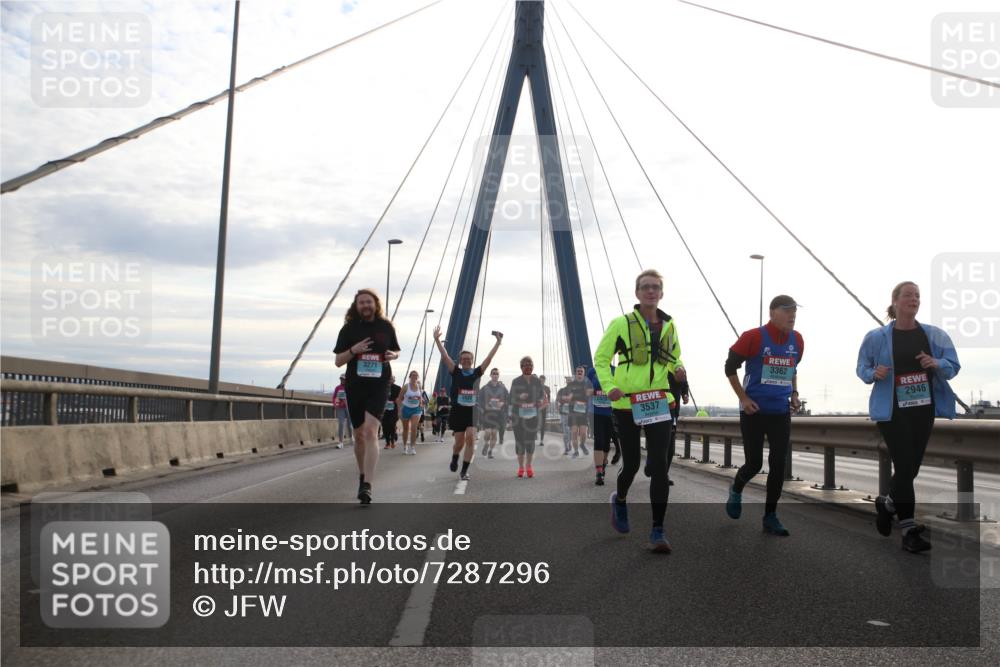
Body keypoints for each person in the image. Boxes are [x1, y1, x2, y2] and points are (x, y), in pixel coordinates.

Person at [857, 281, 960, 553]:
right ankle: (909, 531)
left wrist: (936, 363)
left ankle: (888, 504)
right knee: (904, 467)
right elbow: (861, 367)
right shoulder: (876, 337)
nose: (914, 299)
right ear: (895, 301)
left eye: (917, 296)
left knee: (910, 469)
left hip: (923, 409)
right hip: (891, 410)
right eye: (908, 295)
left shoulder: (934, 335)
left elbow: (953, 366)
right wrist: (873, 374)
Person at [594, 269, 685, 553]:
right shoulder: (621, 323)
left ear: (661, 293)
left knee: (659, 464)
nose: (650, 291)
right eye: (645, 287)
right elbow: (601, 358)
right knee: (632, 464)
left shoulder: (669, 326)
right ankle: (619, 499)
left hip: (658, 400)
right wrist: (609, 386)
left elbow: (674, 356)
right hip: (626, 403)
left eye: (655, 287)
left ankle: (658, 530)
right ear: (637, 293)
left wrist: (678, 368)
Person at [724, 295, 804, 536]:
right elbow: (729, 367)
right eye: (787, 310)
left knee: (778, 463)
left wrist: (794, 393)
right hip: (754, 411)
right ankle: (736, 488)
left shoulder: (797, 339)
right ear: (772, 313)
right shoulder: (753, 337)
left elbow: (792, 368)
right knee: (754, 463)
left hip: (780, 411)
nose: (792, 315)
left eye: (794, 312)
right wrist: (744, 399)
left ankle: (770, 516)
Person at [333, 289, 400, 504]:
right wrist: (354, 350)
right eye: (361, 303)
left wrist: (393, 355)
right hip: (355, 386)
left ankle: (368, 485)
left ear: (375, 304)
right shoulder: (348, 329)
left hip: (379, 385)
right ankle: (362, 475)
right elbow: (338, 361)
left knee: (371, 431)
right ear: (356, 306)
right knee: (359, 434)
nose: (365, 306)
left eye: (368, 302)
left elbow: (395, 351)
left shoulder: (385, 327)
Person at [433, 326, 503, 481]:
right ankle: (455, 456)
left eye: (468, 359)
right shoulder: (455, 371)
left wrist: (498, 343)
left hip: (472, 411)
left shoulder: (477, 372)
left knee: (470, 437)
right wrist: (437, 340)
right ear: (460, 361)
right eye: (463, 359)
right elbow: (445, 357)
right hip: (458, 411)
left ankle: (464, 471)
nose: (466, 361)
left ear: (472, 361)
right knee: (459, 442)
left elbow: (488, 359)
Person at [511, 357, 544, 478]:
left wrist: (540, 400)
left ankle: (529, 466)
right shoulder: (516, 381)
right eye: (525, 365)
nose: (528, 366)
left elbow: (541, 395)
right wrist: (520, 396)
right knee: (520, 442)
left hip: (532, 415)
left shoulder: (536, 381)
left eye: (530, 364)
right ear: (521, 367)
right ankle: (520, 467)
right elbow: (511, 398)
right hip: (518, 416)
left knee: (530, 442)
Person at [586, 366, 615, 485]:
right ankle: (599, 473)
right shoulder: (592, 371)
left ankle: (603, 464)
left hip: (610, 412)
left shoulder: (615, 371)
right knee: (599, 440)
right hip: (595, 412)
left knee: (606, 444)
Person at [479, 369, 508, 459]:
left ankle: (490, 452)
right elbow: (479, 400)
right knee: (488, 433)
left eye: (497, 374)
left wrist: (503, 403)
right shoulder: (484, 388)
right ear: (490, 375)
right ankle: (486, 444)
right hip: (488, 414)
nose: (495, 375)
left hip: (498, 414)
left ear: (498, 376)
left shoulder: (503, 388)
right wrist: (485, 406)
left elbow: (508, 399)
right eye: (493, 374)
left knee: (494, 433)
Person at [397, 370, 425, 456]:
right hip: (406, 409)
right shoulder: (406, 387)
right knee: (406, 429)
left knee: (414, 428)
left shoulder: (419, 386)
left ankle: (412, 447)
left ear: (417, 377)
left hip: (416, 409)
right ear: (410, 377)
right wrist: (399, 410)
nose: (414, 377)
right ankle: (405, 447)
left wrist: (420, 403)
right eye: (413, 376)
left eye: (416, 376)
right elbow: (399, 399)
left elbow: (420, 397)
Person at [567, 366, 591, 457]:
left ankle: (582, 444)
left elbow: (590, 395)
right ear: (576, 373)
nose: (580, 372)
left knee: (583, 433)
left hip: (583, 412)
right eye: (578, 371)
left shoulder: (587, 384)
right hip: (573, 412)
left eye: (581, 371)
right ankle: (576, 451)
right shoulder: (570, 385)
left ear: (584, 373)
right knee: (574, 432)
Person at [382, 376, 401, 449]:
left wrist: (399, 410)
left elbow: (400, 399)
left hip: (394, 410)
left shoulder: (397, 388)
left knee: (391, 425)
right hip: (384, 410)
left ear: (394, 380)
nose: (390, 380)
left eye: (391, 379)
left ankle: (392, 441)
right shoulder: (383, 387)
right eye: (388, 379)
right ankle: (387, 442)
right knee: (385, 426)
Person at [332, 374, 351, 448]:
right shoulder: (338, 388)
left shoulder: (349, 387)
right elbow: (334, 397)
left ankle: (351, 438)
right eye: (341, 379)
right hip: (340, 408)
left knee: (350, 425)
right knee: (341, 424)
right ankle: (341, 442)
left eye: (343, 379)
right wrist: (335, 404)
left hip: (348, 407)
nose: (342, 380)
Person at [556, 380, 573, 454]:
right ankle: (567, 446)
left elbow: (557, 400)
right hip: (567, 413)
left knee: (568, 431)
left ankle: (568, 446)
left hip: (568, 413)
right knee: (568, 431)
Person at [537, 376, 551, 440]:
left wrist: (547, 405)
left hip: (544, 408)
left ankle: (541, 440)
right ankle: (534, 434)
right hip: (536, 408)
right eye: (540, 380)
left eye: (542, 380)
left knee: (543, 424)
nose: (541, 381)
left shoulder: (547, 388)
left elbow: (549, 399)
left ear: (544, 380)